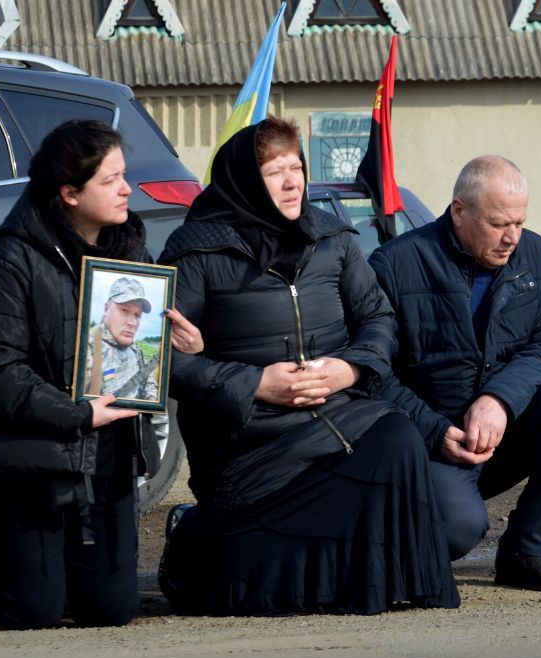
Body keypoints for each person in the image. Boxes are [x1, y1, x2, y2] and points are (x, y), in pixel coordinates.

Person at [156, 116, 459, 615]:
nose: (294, 180)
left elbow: (378, 319)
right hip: (249, 444)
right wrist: (256, 383)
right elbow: (159, 361)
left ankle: (386, 583)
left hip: (336, 416)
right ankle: (194, 534)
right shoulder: (196, 250)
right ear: (246, 180)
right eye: (276, 171)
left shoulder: (333, 238)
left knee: (397, 438)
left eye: (297, 167)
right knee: (238, 589)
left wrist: (351, 370)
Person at [0, 119, 201, 629]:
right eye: (111, 179)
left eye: (124, 175)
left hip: (107, 459)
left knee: (111, 610)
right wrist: (75, 413)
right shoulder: (8, 266)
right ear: (69, 193)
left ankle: (58, 557)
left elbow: (146, 359)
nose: (127, 189)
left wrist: (187, 347)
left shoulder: (133, 254)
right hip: (32, 461)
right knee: (32, 611)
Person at [369, 155, 541, 593]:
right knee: (456, 533)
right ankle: (384, 539)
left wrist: (499, 400)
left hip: (501, 433)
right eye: (499, 224)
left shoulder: (533, 253)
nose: (512, 237)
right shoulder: (395, 266)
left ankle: (526, 552)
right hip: (433, 448)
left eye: (519, 222)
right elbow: (373, 374)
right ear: (459, 210)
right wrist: (435, 431)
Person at [84, 276, 159, 400]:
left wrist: (151, 406)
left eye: (137, 315)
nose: (133, 322)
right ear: (106, 309)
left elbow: (147, 381)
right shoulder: (87, 348)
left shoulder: (136, 350)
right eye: (125, 310)